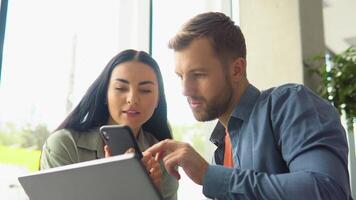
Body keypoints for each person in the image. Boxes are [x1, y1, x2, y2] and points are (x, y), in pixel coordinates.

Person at [146, 12, 352, 199]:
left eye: (198, 75)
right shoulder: (222, 146)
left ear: (237, 70)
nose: (185, 89)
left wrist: (209, 175)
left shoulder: (288, 103)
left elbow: (328, 191)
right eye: (180, 76)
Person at [40, 49, 178, 200]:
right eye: (120, 88)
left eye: (145, 90)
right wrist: (113, 187)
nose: (132, 99)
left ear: (158, 99)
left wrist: (152, 194)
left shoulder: (163, 158)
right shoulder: (65, 145)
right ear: (105, 94)